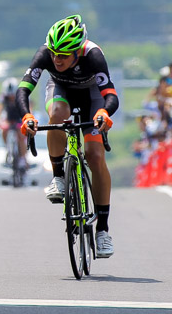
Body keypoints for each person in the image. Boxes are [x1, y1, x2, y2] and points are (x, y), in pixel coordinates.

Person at [17, 15, 117, 258]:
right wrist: (26, 117)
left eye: (63, 54)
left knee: (95, 156)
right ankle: (59, 177)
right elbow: (23, 89)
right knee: (58, 115)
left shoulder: (92, 55)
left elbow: (110, 93)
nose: (56, 59)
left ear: (77, 51)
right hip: (61, 90)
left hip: (92, 97)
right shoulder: (44, 54)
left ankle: (102, 231)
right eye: (53, 53)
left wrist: (104, 112)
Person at [0, 77, 26, 170]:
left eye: (13, 96)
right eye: (9, 96)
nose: (11, 98)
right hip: (9, 117)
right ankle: (8, 148)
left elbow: (28, 109)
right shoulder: (3, 98)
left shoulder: (21, 95)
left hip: (20, 117)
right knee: (4, 130)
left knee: (20, 134)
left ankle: (22, 158)